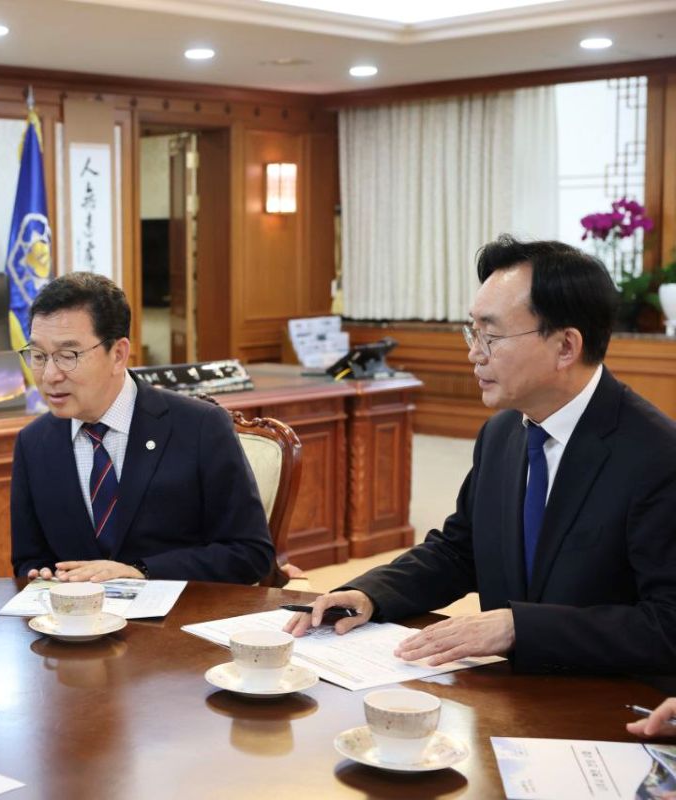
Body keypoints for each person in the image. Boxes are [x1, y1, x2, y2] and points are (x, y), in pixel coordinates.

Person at [287, 236, 676, 676]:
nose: (474, 353)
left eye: (492, 336)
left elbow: (667, 623)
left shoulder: (657, 455)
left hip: (603, 699)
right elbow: (460, 551)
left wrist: (519, 628)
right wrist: (371, 593)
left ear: (566, 347)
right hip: (506, 693)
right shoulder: (503, 433)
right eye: (473, 332)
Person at [10, 272, 274, 584]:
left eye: (68, 356)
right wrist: (40, 572)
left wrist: (141, 571)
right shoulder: (33, 443)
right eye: (39, 356)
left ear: (118, 354)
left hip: (179, 611)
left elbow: (250, 554)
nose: (49, 375)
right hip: (76, 614)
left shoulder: (200, 427)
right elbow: (29, 558)